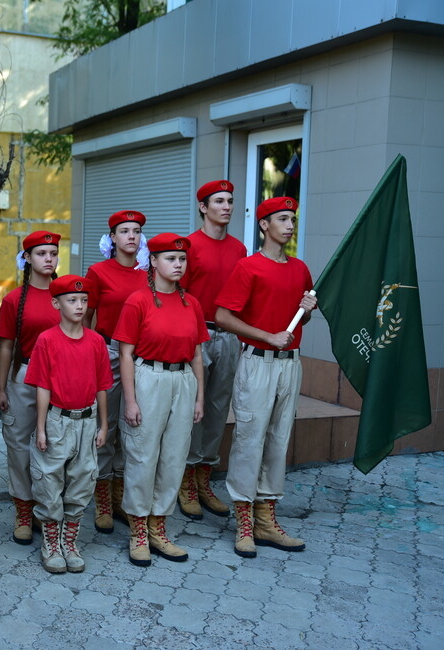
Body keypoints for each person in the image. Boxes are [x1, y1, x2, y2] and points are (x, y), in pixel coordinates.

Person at [215, 196, 317, 558]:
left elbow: (298, 321)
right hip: (257, 362)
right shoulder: (249, 267)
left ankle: (266, 520)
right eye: (283, 219)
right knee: (250, 439)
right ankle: (243, 522)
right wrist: (265, 335)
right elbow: (224, 316)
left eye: (293, 219)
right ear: (264, 225)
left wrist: (306, 312)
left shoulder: (300, 269)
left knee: (278, 440)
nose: (290, 225)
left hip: (290, 363)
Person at [114, 233, 208, 566]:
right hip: (148, 379)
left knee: (174, 458)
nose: (178, 264)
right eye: (170, 258)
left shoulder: (191, 303)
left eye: (182, 259)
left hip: (182, 380)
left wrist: (199, 397)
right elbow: (125, 354)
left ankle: (159, 528)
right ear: (153, 261)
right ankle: (138, 531)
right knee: (142, 456)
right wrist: (131, 400)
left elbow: (197, 354)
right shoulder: (138, 301)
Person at [24, 275, 111, 573]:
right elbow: (42, 386)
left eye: (84, 300)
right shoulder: (47, 340)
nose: (79, 306)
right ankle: (51, 540)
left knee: (83, 479)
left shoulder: (96, 341)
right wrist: (42, 427)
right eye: (72, 300)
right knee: (49, 481)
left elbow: (102, 385)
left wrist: (103, 424)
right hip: (57, 421)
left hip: (87, 422)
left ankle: (70, 540)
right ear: (56, 303)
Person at [179, 180, 247, 520]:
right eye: (219, 201)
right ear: (203, 207)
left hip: (230, 337)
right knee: (195, 408)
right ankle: (186, 479)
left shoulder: (239, 249)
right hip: (197, 335)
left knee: (219, 408)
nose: (227, 206)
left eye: (230, 201)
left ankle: (205, 477)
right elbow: (179, 297)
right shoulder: (189, 246)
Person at [82, 210, 148, 534]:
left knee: (132, 427)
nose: (131, 237)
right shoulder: (98, 272)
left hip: (142, 355)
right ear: (112, 238)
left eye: (136, 231)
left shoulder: (148, 273)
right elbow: (85, 318)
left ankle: (122, 495)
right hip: (108, 352)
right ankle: (103, 498)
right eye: (124, 231)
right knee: (105, 428)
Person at [0, 231, 61, 545]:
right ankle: (23, 510)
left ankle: (48, 508)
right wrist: (2, 388)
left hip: (61, 381)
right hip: (24, 378)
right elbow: (6, 347)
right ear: (28, 259)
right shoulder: (13, 300)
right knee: (20, 446)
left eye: (53, 253)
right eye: (41, 253)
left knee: (54, 445)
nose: (48, 259)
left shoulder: (67, 295)